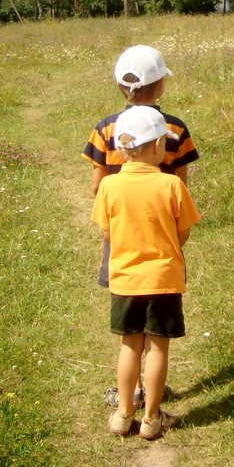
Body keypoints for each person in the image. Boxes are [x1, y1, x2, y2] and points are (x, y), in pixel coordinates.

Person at [82, 45, 199, 408]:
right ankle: (152, 397)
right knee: (157, 328)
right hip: (163, 237)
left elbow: (97, 184)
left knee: (129, 328)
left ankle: (128, 394)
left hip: (121, 238)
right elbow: (182, 180)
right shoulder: (175, 129)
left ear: (119, 86)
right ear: (161, 85)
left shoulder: (106, 128)